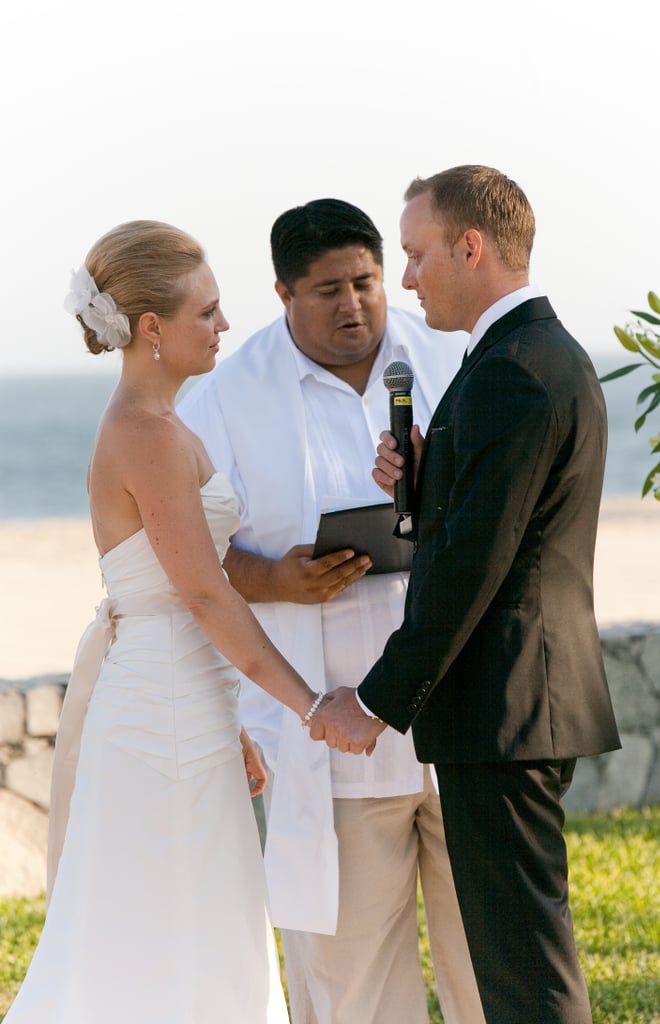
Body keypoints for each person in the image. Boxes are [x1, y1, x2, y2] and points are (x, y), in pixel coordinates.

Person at [311, 166, 622, 1024]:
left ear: (470, 246)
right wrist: (427, 471)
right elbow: (488, 528)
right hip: (512, 702)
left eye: (414, 254)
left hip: (505, 703)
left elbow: (473, 569)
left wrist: (375, 700)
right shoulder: (527, 357)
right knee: (517, 948)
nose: (405, 277)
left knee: (522, 963)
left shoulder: (512, 371)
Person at [4, 220, 324, 1023]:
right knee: (163, 930)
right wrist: (311, 706)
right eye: (207, 312)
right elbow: (206, 596)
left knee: (199, 922)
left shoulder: (166, 426)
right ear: (152, 328)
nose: (223, 327)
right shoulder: (145, 436)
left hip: (186, 706)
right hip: (160, 723)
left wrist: (232, 720)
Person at [178, 198, 485, 1024]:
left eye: (366, 281)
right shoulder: (227, 396)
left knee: (487, 968)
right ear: (282, 293)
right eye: (327, 290)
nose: (352, 304)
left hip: (458, 717)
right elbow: (191, 558)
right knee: (350, 984)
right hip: (333, 734)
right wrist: (276, 578)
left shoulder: (451, 359)